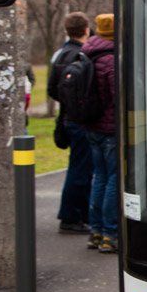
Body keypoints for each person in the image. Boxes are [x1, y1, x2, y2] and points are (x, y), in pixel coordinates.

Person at [47, 12, 92, 235]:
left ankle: (78, 214)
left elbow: (51, 89)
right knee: (80, 169)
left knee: (77, 167)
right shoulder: (82, 56)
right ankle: (72, 216)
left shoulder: (60, 55)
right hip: (80, 121)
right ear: (86, 29)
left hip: (67, 118)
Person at [82, 14, 118, 253]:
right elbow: (118, 95)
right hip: (111, 127)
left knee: (99, 177)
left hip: (92, 126)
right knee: (113, 179)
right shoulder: (111, 59)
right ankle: (110, 232)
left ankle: (95, 230)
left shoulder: (86, 53)